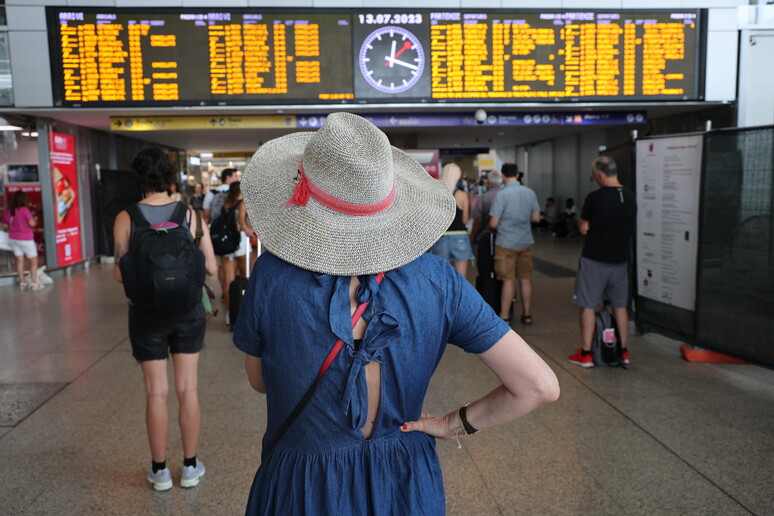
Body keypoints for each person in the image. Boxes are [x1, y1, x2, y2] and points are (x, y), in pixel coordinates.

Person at [233, 113, 560, 515]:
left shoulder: (271, 277)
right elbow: (538, 386)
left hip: (303, 487)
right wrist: (451, 424)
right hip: (405, 485)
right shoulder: (437, 280)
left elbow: (260, 382)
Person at [113, 148, 217, 491]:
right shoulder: (190, 215)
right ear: (170, 177)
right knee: (188, 388)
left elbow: (119, 274)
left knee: (156, 392)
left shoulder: (126, 217)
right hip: (188, 312)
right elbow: (212, 268)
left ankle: (159, 471)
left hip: (146, 315)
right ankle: (189, 466)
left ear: (138, 179)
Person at [568, 156, 637, 368]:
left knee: (588, 304)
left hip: (594, 259)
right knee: (620, 305)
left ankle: (587, 353)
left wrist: (582, 223)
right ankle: (623, 351)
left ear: (600, 175)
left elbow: (584, 227)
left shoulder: (595, 198)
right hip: (620, 259)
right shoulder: (630, 195)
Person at [489, 164, 541, 325]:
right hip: (526, 241)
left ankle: (504, 317)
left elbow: (493, 223)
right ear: (517, 175)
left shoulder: (502, 195)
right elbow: (537, 218)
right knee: (525, 278)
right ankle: (527, 314)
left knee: (508, 279)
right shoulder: (530, 193)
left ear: (503, 175)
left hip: (505, 243)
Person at [427, 162, 475, 276]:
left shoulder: (437, 194)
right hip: (460, 237)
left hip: (441, 238)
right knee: (461, 279)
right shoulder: (462, 195)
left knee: (443, 278)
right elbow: (465, 220)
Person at [218, 181, 255, 325]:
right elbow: (241, 221)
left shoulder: (226, 204)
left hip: (226, 245)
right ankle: (242, 312)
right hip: (240, 244)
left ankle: (229, 313)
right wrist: (248, 231)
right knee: (245, 277)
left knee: (228, 281)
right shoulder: (242, 203)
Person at [1, 191, 42, 290]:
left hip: (14, 239)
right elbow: (32, 224)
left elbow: (5, 225)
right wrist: (35, 221)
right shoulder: (24, 210)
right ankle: (34, 283)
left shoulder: (8, 211)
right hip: (26, 239)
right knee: (33, 260)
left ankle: (22, 282)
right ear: (23, 199)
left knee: (19, 260)